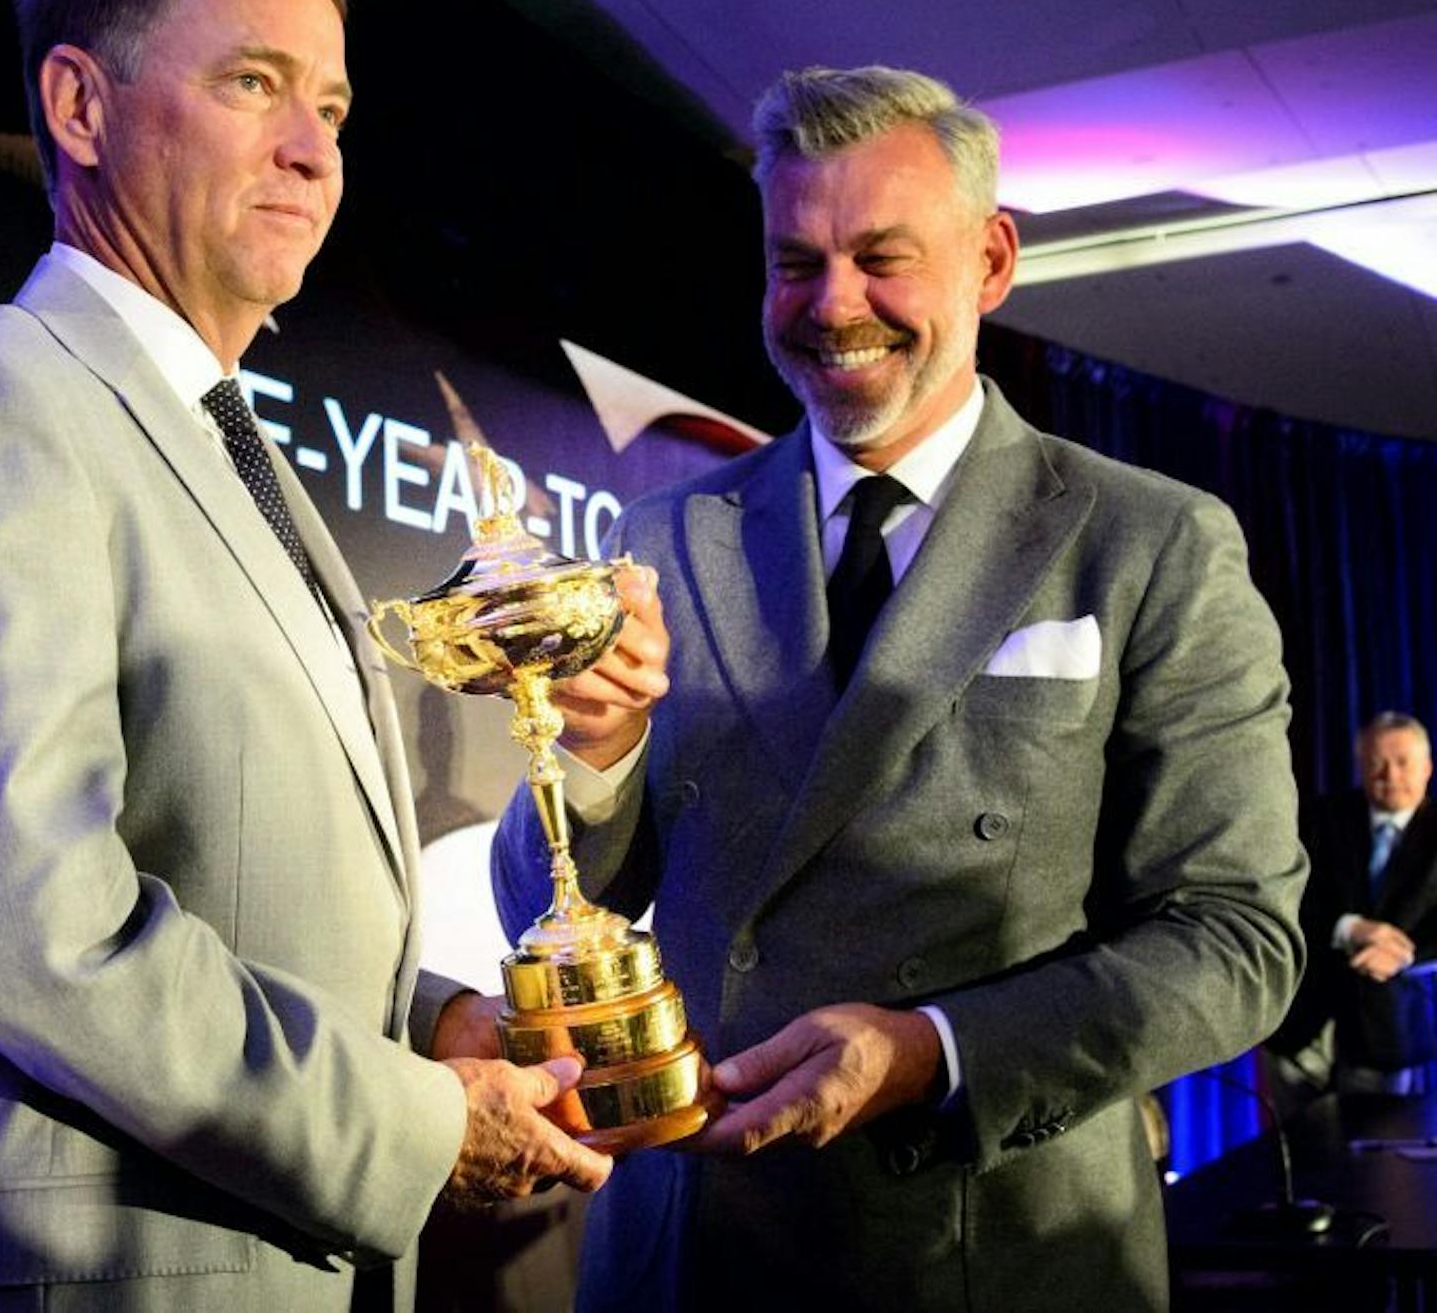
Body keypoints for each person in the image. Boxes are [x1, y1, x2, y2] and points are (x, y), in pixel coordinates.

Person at [0, 0, 607, 1312]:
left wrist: (430, 1023)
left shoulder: (235, 449)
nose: (313, 149)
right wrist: (413, 1122)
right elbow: (24, 931)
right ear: (78, 104)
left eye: (334, 108)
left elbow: (238, 886)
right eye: (253, 84)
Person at [491, 64, 1308, 1310]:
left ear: (989, 261)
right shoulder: (665, 532)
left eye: (882, 257)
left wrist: (934, 1050)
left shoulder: (1149, 541)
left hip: (993, 1245)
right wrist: (596, 754)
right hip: (690, 1249)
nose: (834, 306)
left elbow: (1238, 937)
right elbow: (543, 900)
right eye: (794, 263)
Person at [1270, 712, 1437, 1096]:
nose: (1390, 776)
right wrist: (1348, 928)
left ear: (1426, 767)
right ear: (1360, 766)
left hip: (1392, 1030)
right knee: (1301, 1148)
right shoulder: (1321, 819)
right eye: (1377, 763)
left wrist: (1401, 954)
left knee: (1381, 1149)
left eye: (1402, 763)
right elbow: (1285, 900)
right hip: (1303, 1027)